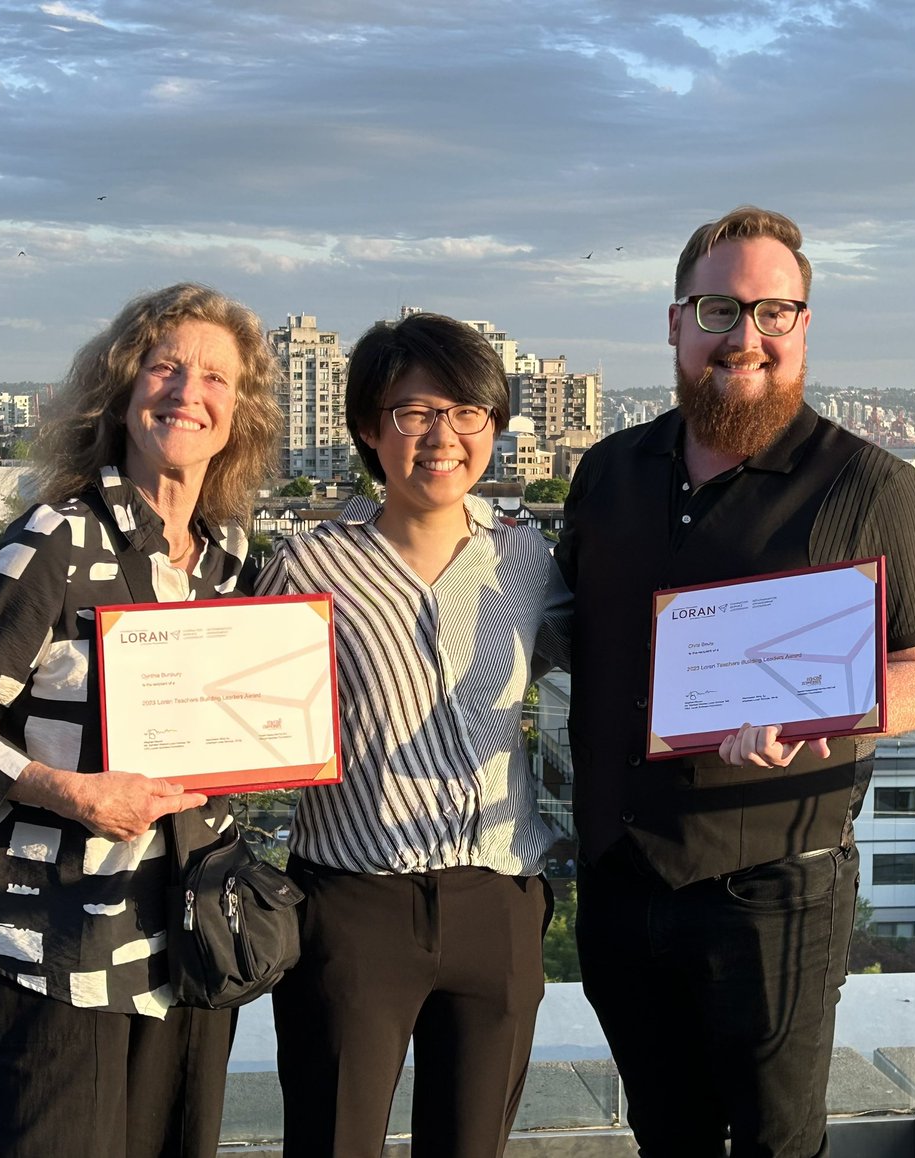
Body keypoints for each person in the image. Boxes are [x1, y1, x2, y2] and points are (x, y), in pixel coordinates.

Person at [555, 207, 915, 1157]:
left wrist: (826, 709)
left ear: (804, 325)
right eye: (719, 309)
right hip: (620, 877)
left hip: (775, 892)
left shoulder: (871, 486)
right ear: (675, 325)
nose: (747, 337)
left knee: (779, 1145)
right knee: (666, 1135)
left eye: (774, 312)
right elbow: (564, 628)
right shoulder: (607, 471)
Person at [0, 283, 282, 1158]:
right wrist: (69, 792)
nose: (188, 392)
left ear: (239, 413)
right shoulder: (53, 541)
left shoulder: (229, 556)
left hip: (181, 947)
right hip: (52, 951)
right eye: (164, 367)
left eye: (216, 377)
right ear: (121, 389)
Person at [253, 311, 570, 1158]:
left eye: (467, 413)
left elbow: (620, 656)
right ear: (368, 427)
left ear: (494, 428)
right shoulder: (309, 566)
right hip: (354, 904)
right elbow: (246, 710)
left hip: (498, 898)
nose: (443, 437)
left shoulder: (526, 560)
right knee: (332, 1141)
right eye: (414, 413)